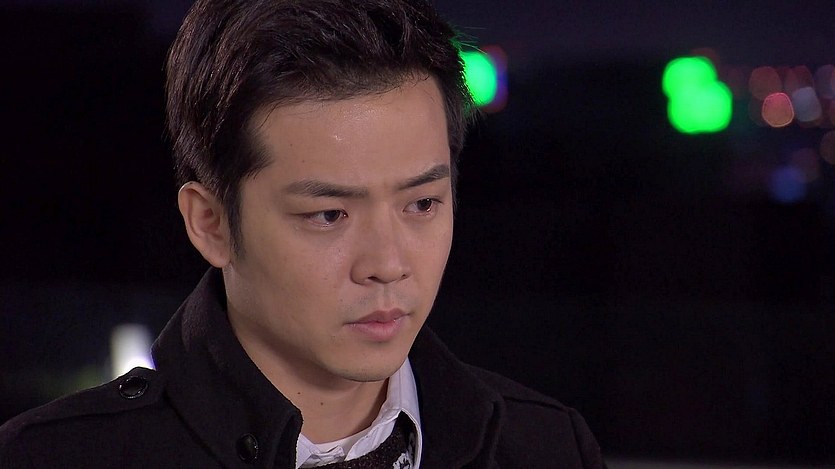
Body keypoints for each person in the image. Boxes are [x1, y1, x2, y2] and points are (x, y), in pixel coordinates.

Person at [0, 0, 605, 467]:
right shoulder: (56, 457)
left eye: (422, 204)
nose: (388, 263)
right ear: (210, 223)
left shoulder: (545, 447)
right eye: (329, 215)